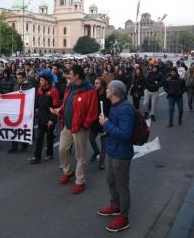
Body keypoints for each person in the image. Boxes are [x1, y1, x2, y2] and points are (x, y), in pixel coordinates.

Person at [53, 65, 98, 194]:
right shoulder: (70, 87)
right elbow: (66, 102)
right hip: (67, 124)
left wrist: (85, 125)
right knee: (62, 149)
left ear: (77, 75)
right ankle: (68, 171)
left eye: (70, 74)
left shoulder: (90, 90)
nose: (68, 76)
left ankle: (80, 180)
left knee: (80, 155)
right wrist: (60, 109)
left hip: (80, 127)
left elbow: (92, 111)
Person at [98, 80, 135, 233]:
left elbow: (126, 134)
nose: (105, 90)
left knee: (122, 186)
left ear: (113, 92)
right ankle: (115, 206)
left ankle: (124, 216)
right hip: (112, 150)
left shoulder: (125, 108)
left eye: (108, 88)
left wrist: (106, 124)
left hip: (122, 153)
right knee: (110, 181)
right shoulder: (114, 106)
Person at [29, 69, 60, 164]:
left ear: (47, 81)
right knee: (39, 138)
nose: (40, 82)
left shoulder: (54, 91)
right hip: (41, 118)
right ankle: (36, 157)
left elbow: (56, 107)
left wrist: (52, 120)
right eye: (40, 80)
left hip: (49, 119)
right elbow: (37, 103)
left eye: (42, 80)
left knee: (50, 138)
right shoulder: (39, 90)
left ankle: (49, 154)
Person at [8, 71, 34, 153]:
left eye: (19, 78)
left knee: (23, 127)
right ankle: (14, 146)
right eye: (17, 78)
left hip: (25, 110)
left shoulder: (30, 86)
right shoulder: (16, 85)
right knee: (14, 127)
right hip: (16, 109)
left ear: (24, 78)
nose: (18, 80)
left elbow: (31, 98)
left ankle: (24, 144)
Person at [89, 77, 111, 170]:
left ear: (102, 84)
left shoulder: (108, 94)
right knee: (91, 138)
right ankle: (96, 151)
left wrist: (108, 119)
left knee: (104, 143)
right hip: (95, 121)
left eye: (97, 83)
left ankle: (101, 163)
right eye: (95, 83)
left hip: (105, 122)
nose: (95, 85)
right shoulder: (94, 94)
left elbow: (112, 108)